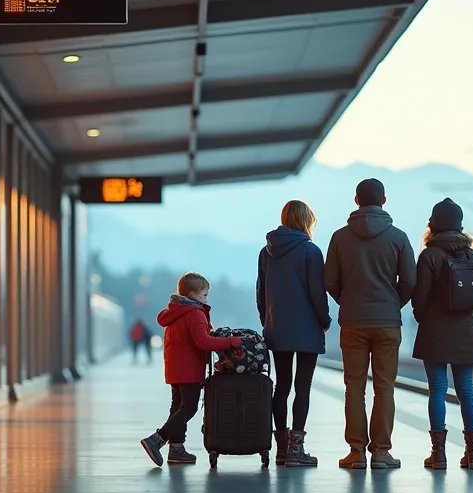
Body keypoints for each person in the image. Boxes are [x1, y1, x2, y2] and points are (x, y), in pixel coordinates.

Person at [324, 178, 416, 470]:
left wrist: (348, 302)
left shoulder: (339, 237)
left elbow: (329, 281)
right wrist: (392, 303)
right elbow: (411, 281)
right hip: (388, 322)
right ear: (384, 201)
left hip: (352, 321)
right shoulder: (399, 238)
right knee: (384, 387)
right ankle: (381, 452)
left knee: (354, 387)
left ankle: (355, 452)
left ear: (356, 201)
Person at [411, 198, 473, 470]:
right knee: (467, 390)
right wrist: (469, 317)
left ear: (433, 225)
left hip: (435, 332)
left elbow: (419, 297)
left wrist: (424, 317)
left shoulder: (429, 255)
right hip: (467, 331)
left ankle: (439, 455)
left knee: (438, 390)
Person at [140, 272, 244, 466]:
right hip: (189, 369)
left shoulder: (175, 312)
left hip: (175, 367)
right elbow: (203, 341)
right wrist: (231, 342)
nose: (206, 298)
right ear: (193, 294)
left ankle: (177, 449)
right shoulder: (194, 313)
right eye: (204, 294)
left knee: (177, 405)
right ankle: (157, 439)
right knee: (189, 407)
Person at [257, 200, 331, 467]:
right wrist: (325, 320)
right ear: (306, 220)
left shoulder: (266, 252)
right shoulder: (311, 251)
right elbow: (317, 293)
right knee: (303, 387)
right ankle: (296, 450)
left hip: (278, 328)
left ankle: (281, 447)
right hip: (308, 328)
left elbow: (261, 293)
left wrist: (268, 320)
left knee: (282, 385)